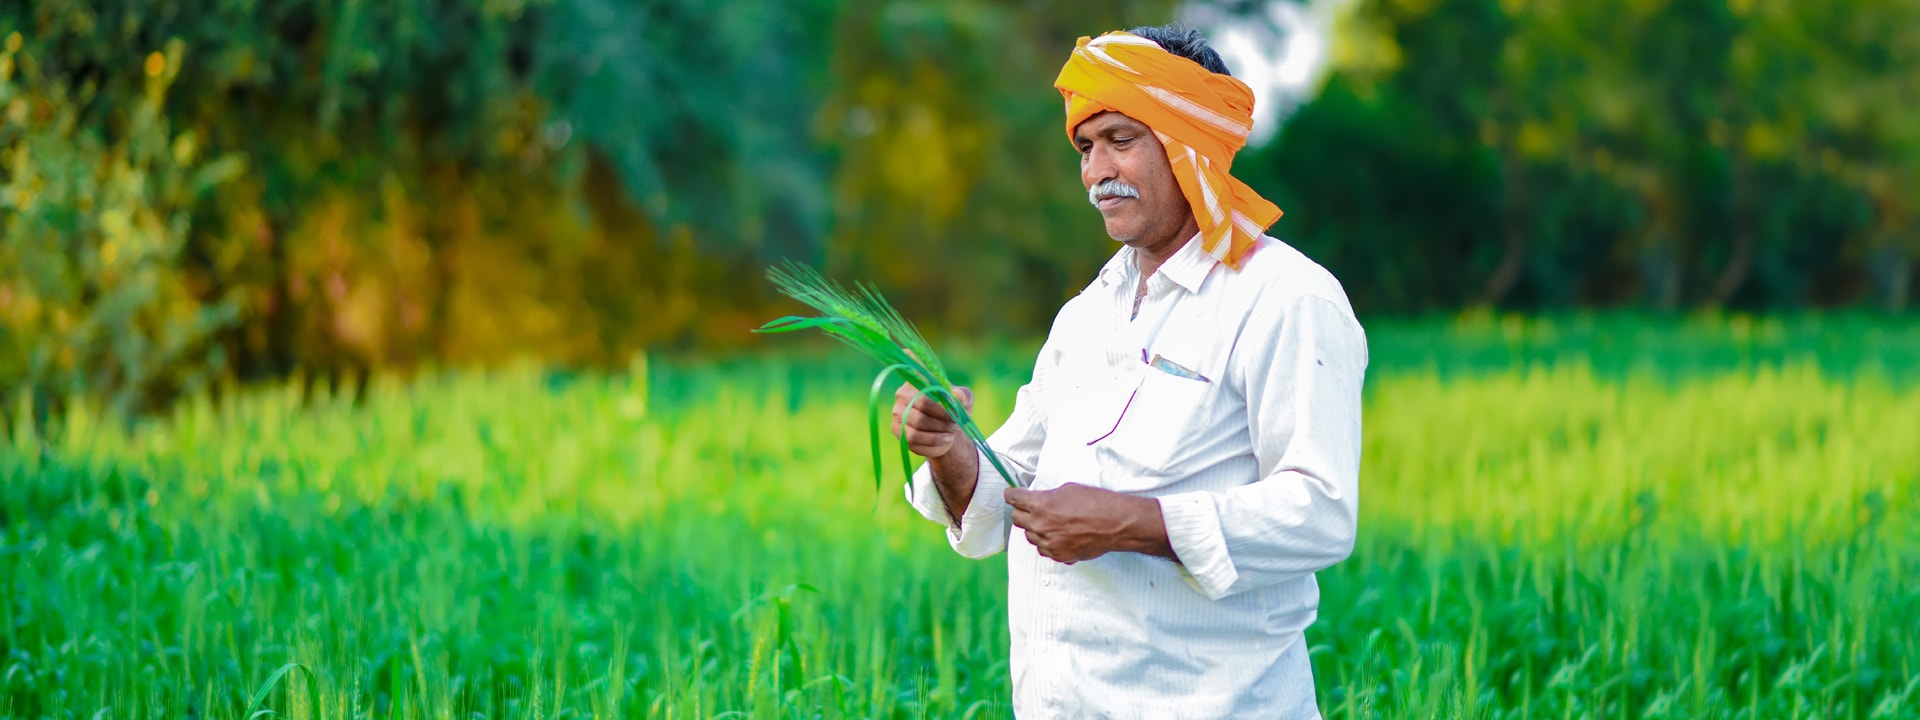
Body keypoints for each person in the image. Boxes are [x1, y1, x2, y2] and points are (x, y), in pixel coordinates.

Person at [890, 23, 1368, 719]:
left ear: (1191, 145)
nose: (1095, 171)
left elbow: (1321, 514)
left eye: (1121, 139)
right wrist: (948, 450)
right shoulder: (1086, 316)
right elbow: (1001, 499)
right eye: (1086, 147)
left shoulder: (1287, 298)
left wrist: (1131, 523)